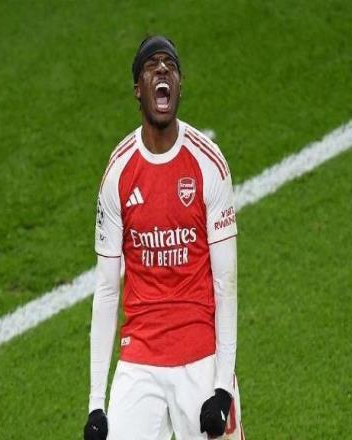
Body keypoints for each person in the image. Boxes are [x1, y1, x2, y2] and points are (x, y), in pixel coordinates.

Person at [84, 35, 244, 440]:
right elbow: (107, 289)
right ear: (138, 90)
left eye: (170, 65)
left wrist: (222, 387)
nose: (161, 69)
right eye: (151, 65)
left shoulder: (208, 163)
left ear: (178, 85)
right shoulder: (118, 173)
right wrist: (96, 404)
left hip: (200, 355)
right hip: (140, 358)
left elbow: (225, 282)